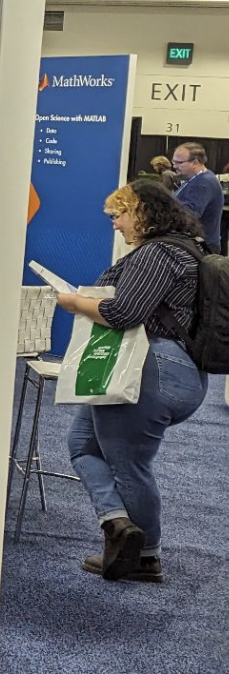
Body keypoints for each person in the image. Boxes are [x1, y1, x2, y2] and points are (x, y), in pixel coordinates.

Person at [54, 178, 207, 584]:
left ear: (141, 212)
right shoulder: (187, 250)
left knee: (129, 464)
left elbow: (124, 313)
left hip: (149, 368)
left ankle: (146, 557)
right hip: (171, 369)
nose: (115, 224)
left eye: (120, 214)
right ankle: (119, 527)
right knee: (82, 445)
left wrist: (75, 303)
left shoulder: (157, 254)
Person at [169, 142, 222, 253]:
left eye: (179, 163)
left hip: (201, 248)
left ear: (195, 162)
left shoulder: (202, 183)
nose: (174, 166)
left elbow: (188, 216)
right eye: (173, 162)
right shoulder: (198, 179)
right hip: (197, 245)